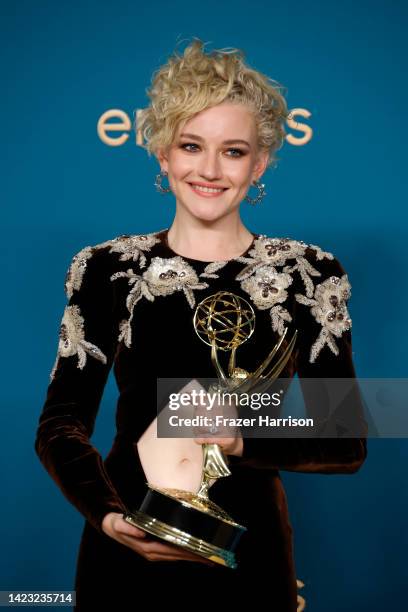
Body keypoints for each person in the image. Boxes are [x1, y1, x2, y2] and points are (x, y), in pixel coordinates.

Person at [34, 38, 367, 611]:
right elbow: (61, 425)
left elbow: (345, 438)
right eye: (191, 146)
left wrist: (242, 436)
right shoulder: (107, 268)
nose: (209, 170)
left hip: (249, 551)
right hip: (127, 541)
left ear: (259, 162)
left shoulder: (310, 273)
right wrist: (109, 517)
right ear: (163, 153)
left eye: (233, 151)